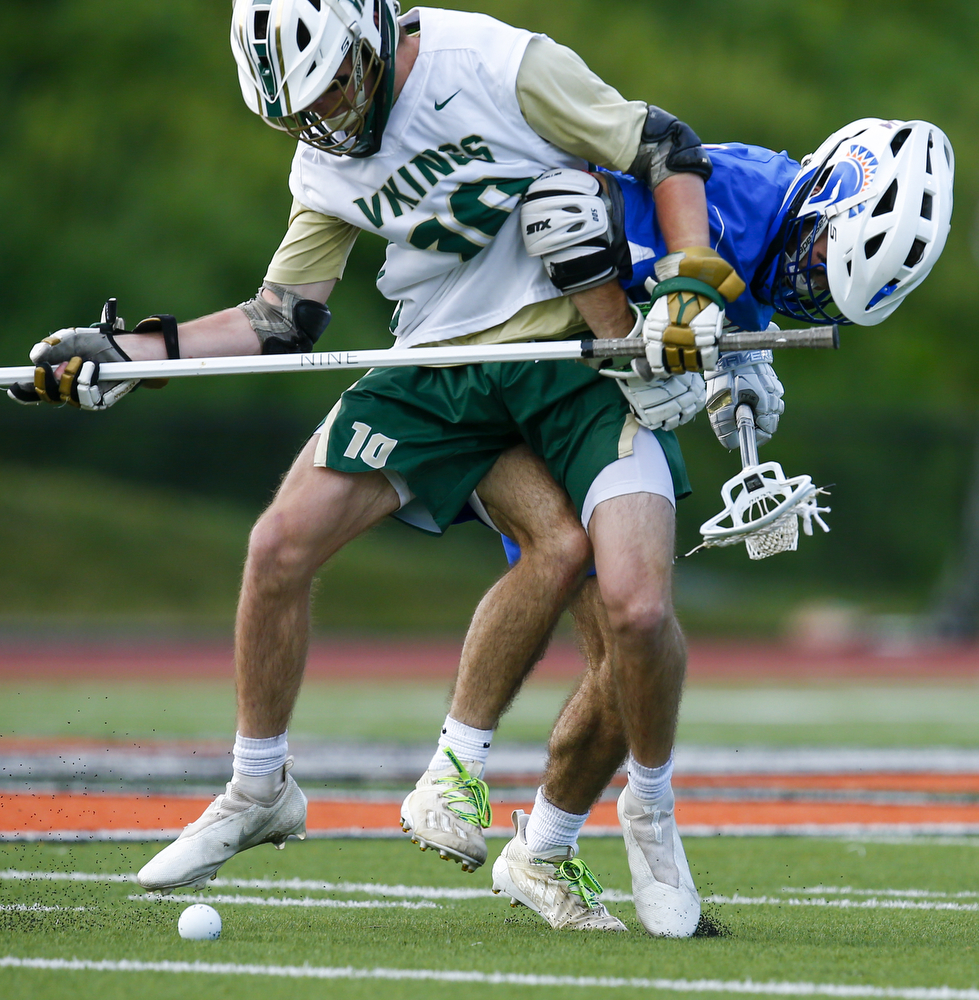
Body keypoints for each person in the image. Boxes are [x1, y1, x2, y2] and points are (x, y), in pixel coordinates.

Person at [6, 1, 751, 937]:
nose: (323, 123)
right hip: (435, 367)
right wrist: (124, 351)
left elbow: (666, 145)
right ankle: (257, 787)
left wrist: (689, 278)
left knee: (635, 610)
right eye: (298, 113)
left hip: (570, 358)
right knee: (278, 544)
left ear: (371, 39)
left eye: (333, 90)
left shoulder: (499, 64)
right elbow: (280, 318)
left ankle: (646, 814)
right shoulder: (324, 152)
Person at [399, 117, 954, 936]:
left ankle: (543, 847)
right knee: (596, 594)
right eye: (812, 269)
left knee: (631, 662)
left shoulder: (774, 222)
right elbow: (563, 221)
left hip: (585, 414)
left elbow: (721, 304)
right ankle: (460, 774)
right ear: (825, 201)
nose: (803, 291)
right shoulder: (723, 195)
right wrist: (627, 339)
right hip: (515, 379)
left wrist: (738, 369)